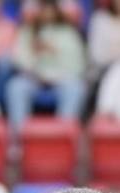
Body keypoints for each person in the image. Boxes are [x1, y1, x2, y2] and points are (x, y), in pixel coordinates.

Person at [6, 0, 87, 128]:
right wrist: (35, 55)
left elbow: (78, 65)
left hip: (61, 80)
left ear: (56, 11)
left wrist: (55, 57)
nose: (47, 14)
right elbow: (18, 61)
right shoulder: (27, 31)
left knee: (75, 88)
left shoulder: (68, 33)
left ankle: (63, 136)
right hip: (33, 80)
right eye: (43, 10)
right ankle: (18, 138)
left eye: (50, 10)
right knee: (15, 87)